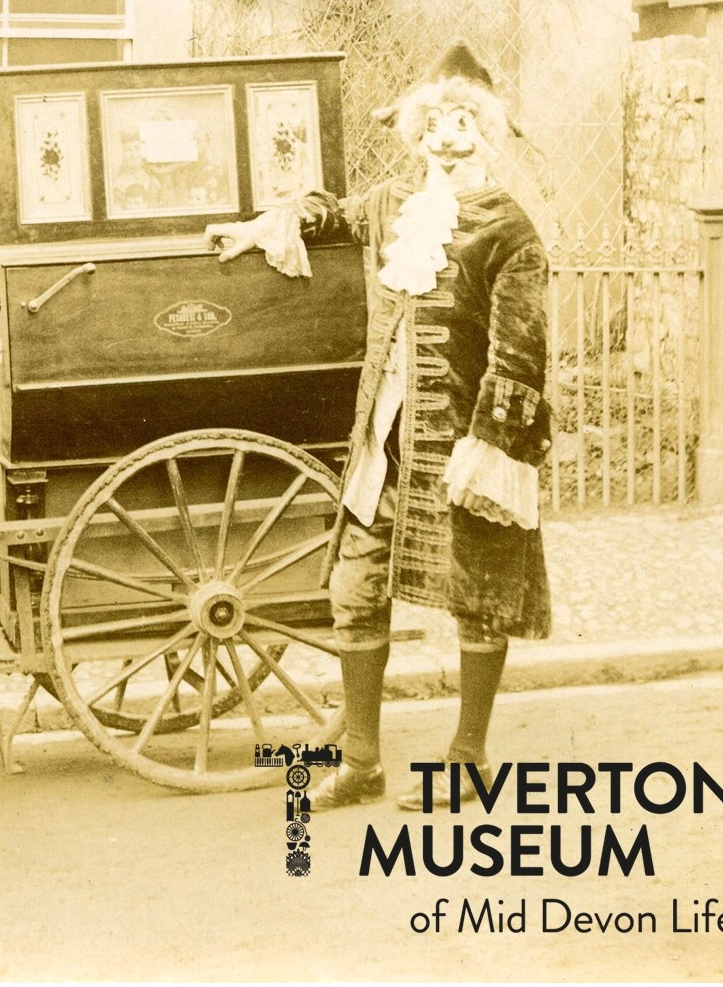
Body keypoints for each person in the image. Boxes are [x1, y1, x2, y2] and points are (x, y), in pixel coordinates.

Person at [208, 41, 552, 811]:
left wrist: (490, 448)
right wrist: (267, 223)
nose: (448, 134)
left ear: (484, 133)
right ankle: (360, 759)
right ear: (418, 131)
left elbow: (519, 350)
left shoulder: (508, 228)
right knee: (354, 588)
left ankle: (467, 757)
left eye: (463, 120)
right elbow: (329, 212)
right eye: (435, 120)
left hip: (463, 443)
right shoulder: (393, 206)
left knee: (477, 594)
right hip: (384, 440)